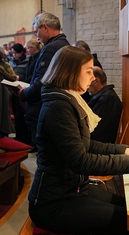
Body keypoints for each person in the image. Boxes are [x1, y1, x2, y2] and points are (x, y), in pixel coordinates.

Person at [28, 45, 129, 235]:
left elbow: (86, 145)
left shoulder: (67, 99)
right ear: (70, 71)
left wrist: (124, 151)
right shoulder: (58, 107)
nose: (93, 77)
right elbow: (80, 161)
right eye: (88, 71)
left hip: (73, 190)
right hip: (53, 203)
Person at [18, 12, 70, 152]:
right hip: (60, 106)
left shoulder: (50, 48)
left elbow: (41, 82)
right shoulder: (65, 44)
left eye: (37, 32)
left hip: (44, 107)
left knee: (45, 152)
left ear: (45, 27)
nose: (37, 38)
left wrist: (23, 94)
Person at [88, 66, 123, 143]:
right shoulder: (106, 95)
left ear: (96, 81)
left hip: (101, 145)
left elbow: (95, 129)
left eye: (89, 80)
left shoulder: (107, 98)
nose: (87, 86)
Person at [8, 43, 29, 144]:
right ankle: (19, 137)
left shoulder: (27, 62)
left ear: (21, 52)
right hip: (13, 91)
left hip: (24, 90)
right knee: (16, 115)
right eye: (12, 53)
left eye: (15, 53)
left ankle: (25, 139)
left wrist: (19, 78)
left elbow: (29, 77)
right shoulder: (11, 63)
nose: (14, 56)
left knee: (23, 116)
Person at [0, 46, 18, 138]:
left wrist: (2, 71)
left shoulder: (5, 65)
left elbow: (13, 77)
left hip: (4, 93)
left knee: (4, 114)